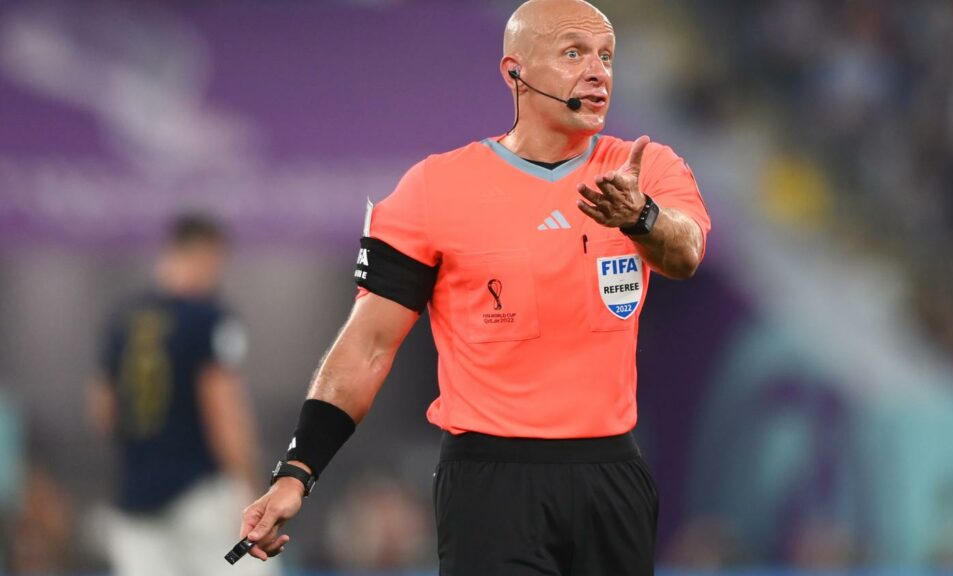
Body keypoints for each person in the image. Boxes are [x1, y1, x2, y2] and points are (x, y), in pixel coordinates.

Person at [239, 0, 711, 574]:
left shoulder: (643, 170)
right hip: (491, 481)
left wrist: (641, 217)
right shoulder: (435, 189)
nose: (597, 72)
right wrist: (296, 473)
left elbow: (685, 252)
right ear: (515, 71)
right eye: (573, 53)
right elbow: (368, 346)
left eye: (606, 57)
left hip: (611, 475)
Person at [90, 213, 274, 576]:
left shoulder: (123, 318)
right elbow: (222, 408)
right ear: (205, 254)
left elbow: (103, 411)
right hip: (200, 494)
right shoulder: (208, 318)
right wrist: (249, 484)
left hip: (135, 497)